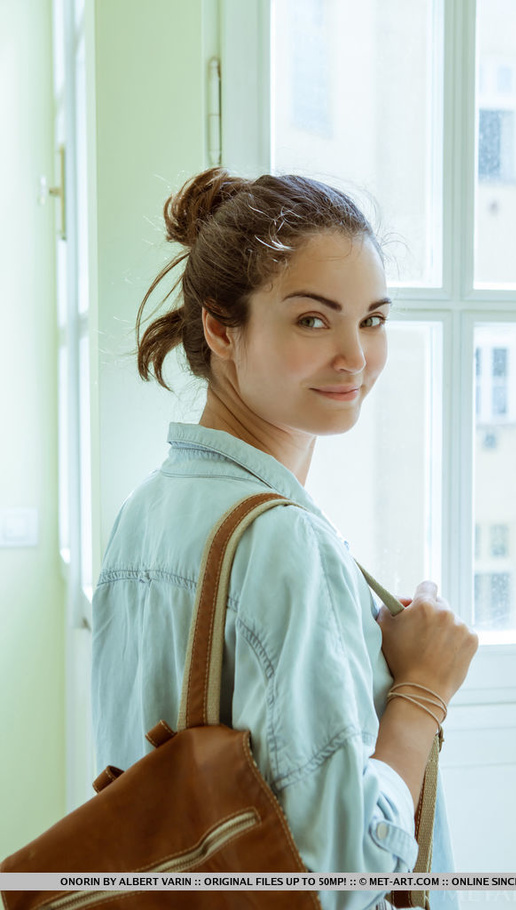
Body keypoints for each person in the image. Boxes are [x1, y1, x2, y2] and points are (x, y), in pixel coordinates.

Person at [91, 168, 478, 910]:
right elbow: (338, 877)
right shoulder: (281, 539)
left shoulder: (144, 513)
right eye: (312, 320)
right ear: (219, 328)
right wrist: (424, 689)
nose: (355, 357)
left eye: (373, 319)